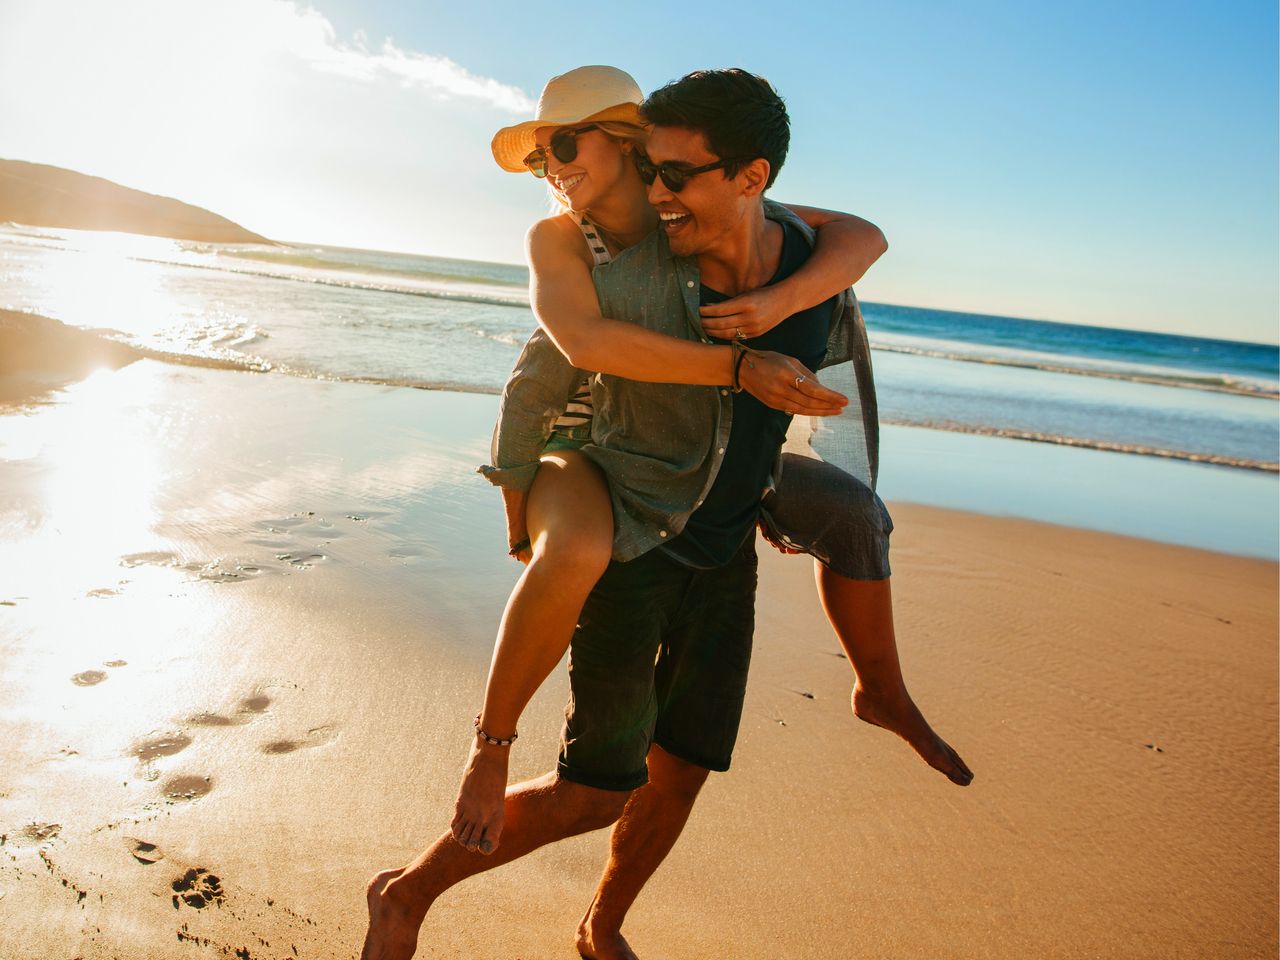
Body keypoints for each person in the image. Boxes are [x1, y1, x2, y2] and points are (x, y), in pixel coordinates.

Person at [362, 68, 967, 960]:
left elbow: (861, 237)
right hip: (636, 527)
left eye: (566, 145)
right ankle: (409, 892)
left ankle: (602, 924)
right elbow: (564, 351)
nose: (553, 166)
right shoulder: (605, 248)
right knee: (597, 789)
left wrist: (781, 304)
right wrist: (518, 487)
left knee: (683, 771)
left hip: (726, 549)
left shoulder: (772, 246)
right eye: (541, 154)